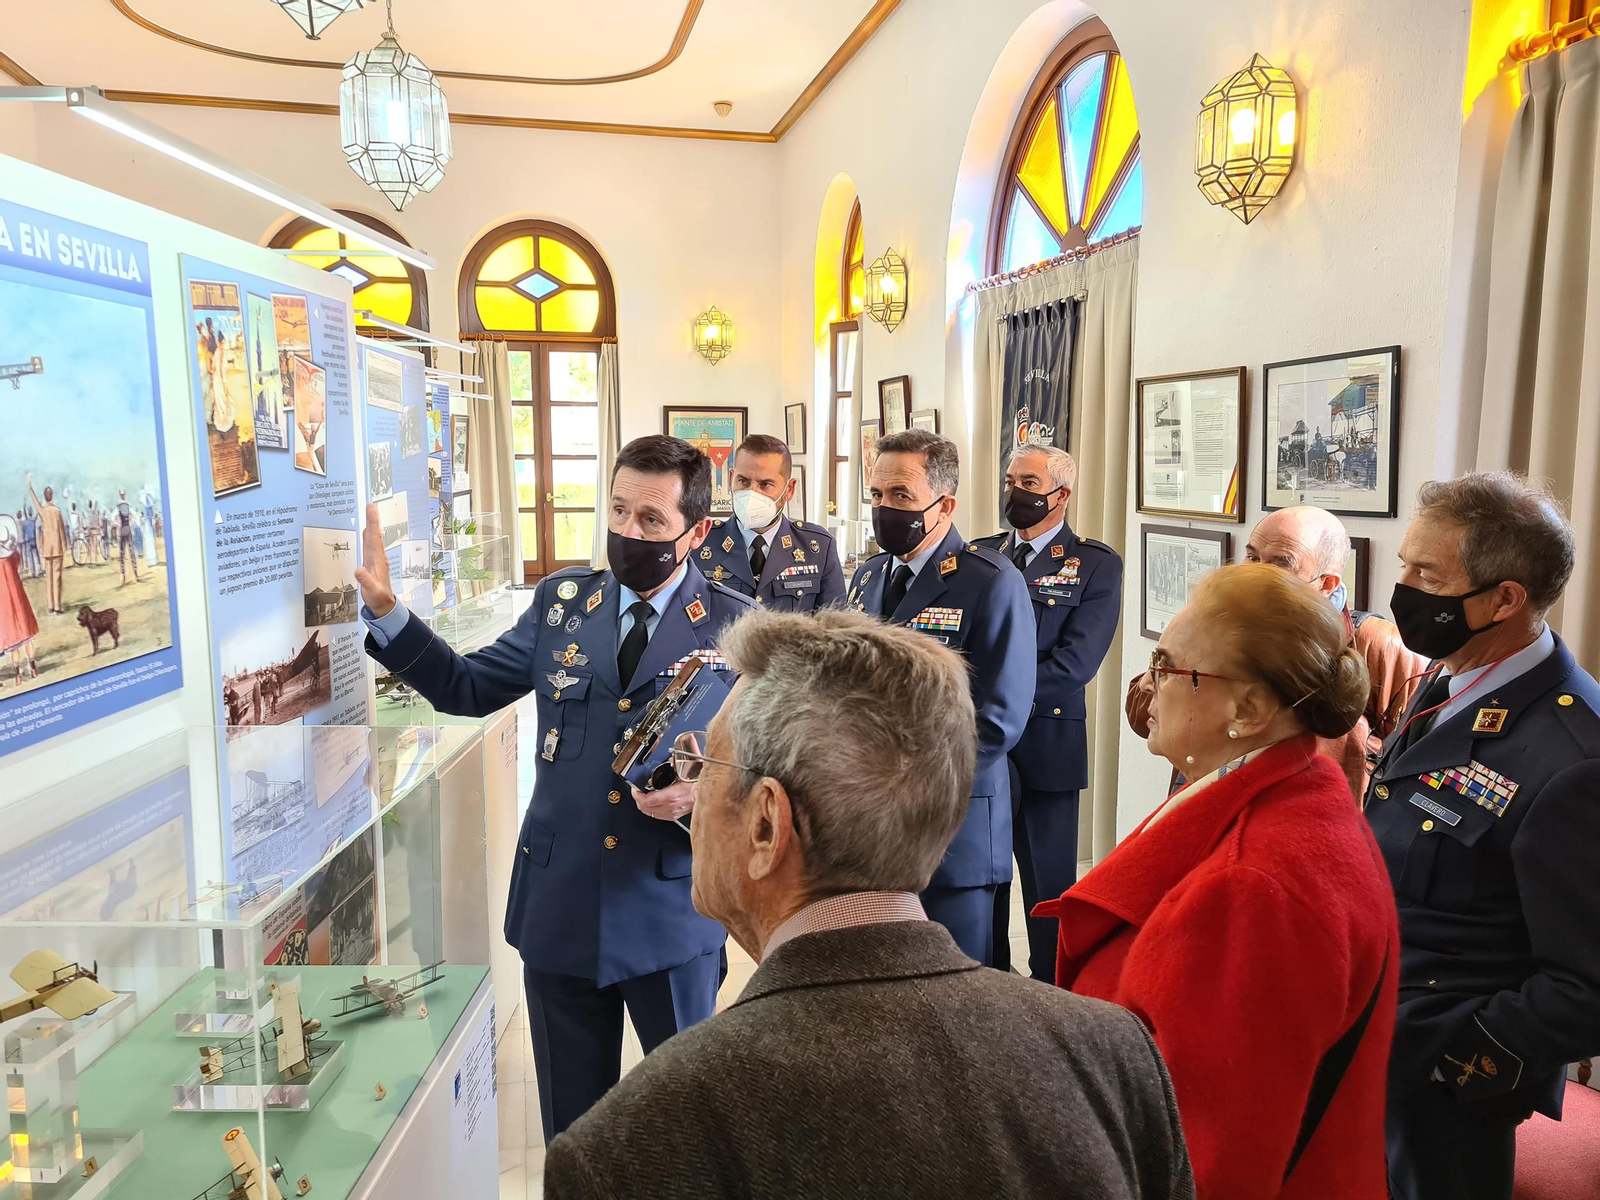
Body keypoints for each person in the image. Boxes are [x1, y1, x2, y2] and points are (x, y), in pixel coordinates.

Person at [543, 608, 1195, 1200]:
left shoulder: (626, 1149)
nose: (694, 794)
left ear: (768, 824)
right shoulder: (1114, 1057)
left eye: (705, 767)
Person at [357, 434, 755, 1141]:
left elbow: (769, 769)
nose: (628, 534)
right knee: (572, 1134)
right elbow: (467, 686)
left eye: (652, 522)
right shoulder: (562, 602)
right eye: (619, 511)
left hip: (667, 906)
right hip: (560, 905)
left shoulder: (735, 624)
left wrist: (705, 793)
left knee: (691, 1130)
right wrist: (389, 613)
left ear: (695, 533)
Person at [1040, 563, 1398, 1198]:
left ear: (1250, 708)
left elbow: (1208, 1164)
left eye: (1168, 666)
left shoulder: (1252, 887)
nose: (1148, 686)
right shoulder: (1283, 795)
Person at [1364, 473, 1600, 1200]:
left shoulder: (1574, 755)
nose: (1403, 588)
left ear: (1505, 599)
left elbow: (1587, 985)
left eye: (1426, 574)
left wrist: (1456, 1060)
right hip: (1376, 1040)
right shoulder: (1451, 677)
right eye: (1405, 565)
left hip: (1445, 1088)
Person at [844, 429, 1033, 965]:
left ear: (945, 504)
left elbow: (998, 719)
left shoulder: (991, 582)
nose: (885, 509)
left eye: (900, 497)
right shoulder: (868, 576)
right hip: (872, 829)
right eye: (877, 496)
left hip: (954, 827)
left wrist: (900, 777)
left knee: (963, 994)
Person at [1126, 505, 1426, 799]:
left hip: (1309, 817)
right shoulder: (1218, 621)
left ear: (1327, 583)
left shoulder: (1377, 643)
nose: (1257, 573)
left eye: (1280, 563)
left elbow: (1411, 758)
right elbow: (1141, 711)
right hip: (1208, 799)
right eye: (1252, 556)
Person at [975, 445, 1121, 982]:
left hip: (1046, 742)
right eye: (1011, 480)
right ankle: (987, 977)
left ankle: (1052, 985)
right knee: (982, 874)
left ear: (1061, 495)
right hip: (980, 744)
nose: (1016, 492)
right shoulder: (982, 556)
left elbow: (1075, 663)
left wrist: (998, 697)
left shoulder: (1095, 564)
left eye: (1030, 484)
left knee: (1047, 884)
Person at [694, 434, 845, 612]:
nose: (752, 493)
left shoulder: (818, 548)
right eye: (743, 481)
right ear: (731, 479)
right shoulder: (699, 542)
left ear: (789, 490)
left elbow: (834, 629)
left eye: (765, 484)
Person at [0, 515, 39, 687]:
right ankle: (32, 667)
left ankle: (17, 675)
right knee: (26, 635)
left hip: (5, 602)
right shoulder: (12, 556)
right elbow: (18, 563)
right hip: (18, 597)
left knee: (14, 639)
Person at [27, 477, 66, 615]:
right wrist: (64, 546)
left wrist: (30, 487)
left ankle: (51, 606)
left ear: (45, 496)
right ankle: (57, 607)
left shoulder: (43, 511)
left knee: (49, 579)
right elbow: (62, 530)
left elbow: (35, 501)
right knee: (57, 578)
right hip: (57, 548)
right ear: (52, 496)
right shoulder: (57, 511)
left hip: (47, 549)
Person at [114, 489, 140, 586]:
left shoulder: (124, 506)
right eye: (122, 494)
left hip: (125, 530)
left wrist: (120, 523)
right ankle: (125, 574)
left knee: (126, 553)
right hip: (124, 530)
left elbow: (135, 516)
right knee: (125, 553)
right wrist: (119, 523)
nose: (123, 495)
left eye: (123, 494)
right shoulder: (122, 506)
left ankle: (134, 573)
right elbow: (112, 518)